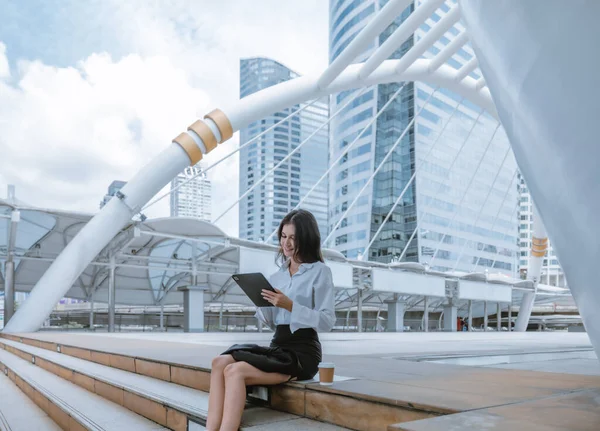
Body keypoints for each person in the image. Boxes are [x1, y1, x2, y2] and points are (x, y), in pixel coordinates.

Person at [206, 209, 336, 431]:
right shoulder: (277, 276)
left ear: (306, 238)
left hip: (303, 351)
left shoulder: (320, 272)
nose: (287, 243)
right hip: (278, 345)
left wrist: (290, 305)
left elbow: (326, 321)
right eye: (284, 236)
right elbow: (273, 322)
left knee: (234, 371)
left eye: (293, 237)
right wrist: (261, 301)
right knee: (220, 362)